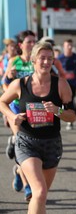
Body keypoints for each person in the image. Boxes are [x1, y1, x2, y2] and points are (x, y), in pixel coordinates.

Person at [0, 41, 76, 214]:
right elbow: (2, 101)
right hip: (27, 142)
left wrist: (57, 111)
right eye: (42, 58)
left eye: (50, 59)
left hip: (52, 143)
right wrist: (12, 117)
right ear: (33, 60)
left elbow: (72, 115)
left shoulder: (61, 85)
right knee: (40, 192)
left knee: (40, 196)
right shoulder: (20, 84)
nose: (46, 62)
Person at [3, 30, 36, 201]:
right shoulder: (14, 61)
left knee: (34, 146)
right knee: (23, 145)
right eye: (29, 42)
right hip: (17, 108)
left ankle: (17, 171)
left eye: (33, 41)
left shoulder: (37, 61)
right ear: (21, 45)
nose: (31, 44)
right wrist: (9, 77)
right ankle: (28, 187)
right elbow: (5, 86)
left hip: (35, 109)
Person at [58, 39, 76, 130]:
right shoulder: (59, 58)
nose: (69, 47)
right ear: (63, 47)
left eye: (71, 45)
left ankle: (70, 121)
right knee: (60, 102)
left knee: (71, 102)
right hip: (62, 84)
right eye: (67, 45)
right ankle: (59, 118)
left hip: (72, 84)